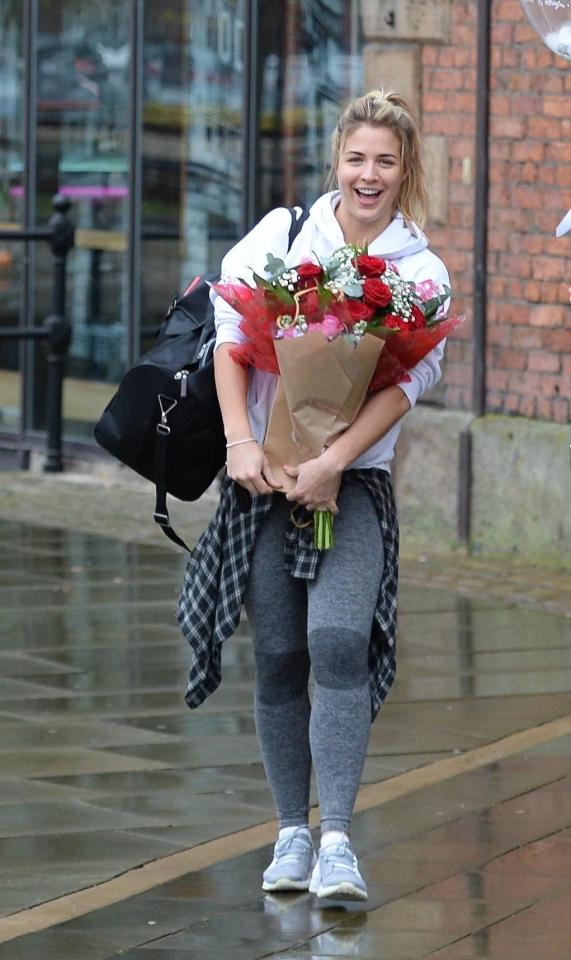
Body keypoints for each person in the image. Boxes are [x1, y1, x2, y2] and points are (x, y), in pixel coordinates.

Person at [177, 89, 450, 901]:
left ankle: (338, 842)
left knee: (337, 643)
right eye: (357, 158)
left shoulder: (417, 268)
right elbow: (230, 336)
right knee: (280, 656)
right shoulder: (285, 234)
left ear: (406, 172)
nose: (369, 175)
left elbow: (412, 379)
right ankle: (289, 834)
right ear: (337, 160)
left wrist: (333, 460)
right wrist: (241, 443)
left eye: (386, 162)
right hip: (263, 481)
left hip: (353, 487)